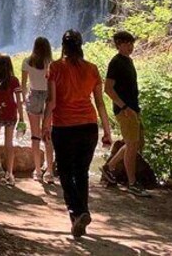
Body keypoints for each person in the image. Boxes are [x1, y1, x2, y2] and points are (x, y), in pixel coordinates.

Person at [43, 30, 112, 239]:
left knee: (64, 172)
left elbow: (51, 102)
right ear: (81, 45)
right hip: (89, 126)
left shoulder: (54, 68)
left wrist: (45, 125)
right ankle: (78, 220)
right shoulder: (92, 69)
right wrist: (107, 131)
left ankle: (78, 211)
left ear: (63, 45)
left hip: (64, 127)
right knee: (81, 172)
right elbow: (100, 102)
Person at [102, 30, 150, 197]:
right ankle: (132, 183)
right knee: (132, 144)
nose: (131, 46)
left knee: (135, 144)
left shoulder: (127, 61)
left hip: (132, 109)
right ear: (118, 44)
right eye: (127, 43)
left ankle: (110, 166)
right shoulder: (116, 62)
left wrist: (134, 108)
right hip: (126, 111)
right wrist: (123, 107)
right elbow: (107, 88)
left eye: (132, 43)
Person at [0, 54, 24, 186]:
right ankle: (10, 174)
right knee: (9, 143)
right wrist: (22, 119)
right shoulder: (14, 80)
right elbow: (19, 102)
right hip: (11, 113)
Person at [22, 36, 55, 183]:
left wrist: (24, 100)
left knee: (35, 136)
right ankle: (49, 171)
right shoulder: (52, 64)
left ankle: (37, 170)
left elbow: (23, 85)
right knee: (48, 135)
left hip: (34, 96)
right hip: (48, 97)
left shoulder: (27, 62)